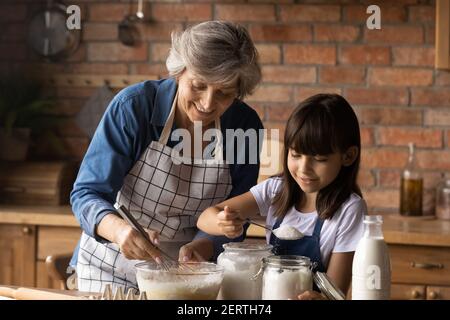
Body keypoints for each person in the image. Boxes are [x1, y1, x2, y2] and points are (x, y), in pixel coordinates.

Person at [70, 21, 263, 293]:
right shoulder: (133, 108)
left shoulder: (244, 126)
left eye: (224, 93)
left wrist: (203, 244)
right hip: (110, 266)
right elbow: (86, 194)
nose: (207, 104)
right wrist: (121, 232)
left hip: (188, 274)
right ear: (179, 71)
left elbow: (237, 214)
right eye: (198, 85)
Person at [197, 94, 367, 300]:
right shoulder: (275, 190)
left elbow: (334, 293)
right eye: (295, 155)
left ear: (348, 156)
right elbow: (205, 217)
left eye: (319, 159)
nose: (304, 169)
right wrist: (222, 222)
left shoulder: (349, 208)